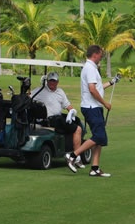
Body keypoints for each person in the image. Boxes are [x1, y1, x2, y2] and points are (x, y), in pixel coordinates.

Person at [65, 44, 117, 177]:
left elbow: (97, 87)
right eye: (100, 54)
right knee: (99, 136)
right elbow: (92, 90)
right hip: (91, 107)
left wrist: (112, 82)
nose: (101, 57)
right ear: (95, 54)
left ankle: (95, 168)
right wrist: (105, 103)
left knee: (99, 138)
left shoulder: (91, 68)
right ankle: (72, 156)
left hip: (94, 107)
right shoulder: (90, 68)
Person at [33, 71, 86, 169]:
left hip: (58, 118)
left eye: (54, 81)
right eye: (50, 81)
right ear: (47, 81)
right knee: (78, 129)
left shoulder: (60, 92)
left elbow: (67, 105)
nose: (52, 83)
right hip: (49, 120)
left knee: (77, 120)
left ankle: (71, 148)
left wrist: (72, 111)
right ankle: (76, 157)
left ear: (58, 82)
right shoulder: (40, 90)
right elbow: (29, 98)